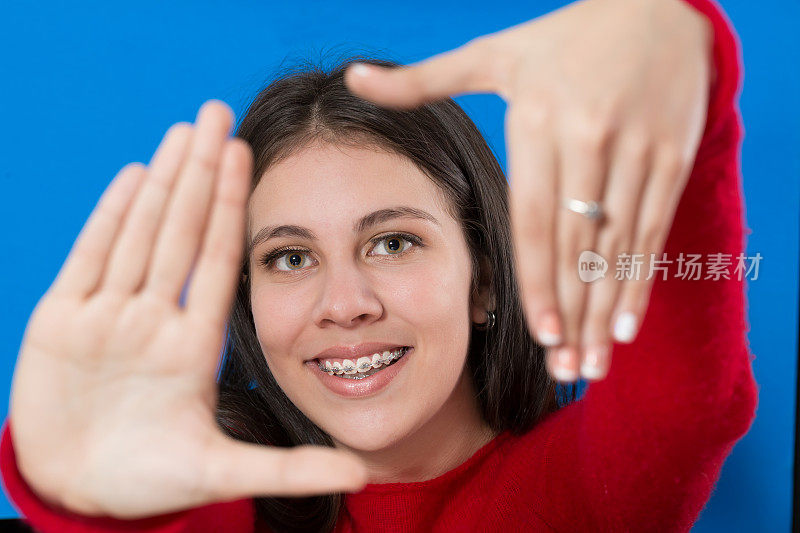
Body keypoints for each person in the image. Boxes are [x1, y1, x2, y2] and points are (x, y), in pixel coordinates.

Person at [0, 0, 758, 531]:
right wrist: (92, 504)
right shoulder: (219, 506)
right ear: (250, 302)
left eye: (392, 241)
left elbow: (691, 400)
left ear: (484, 279)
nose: (345, 302)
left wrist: (683, 48)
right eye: (290, 256)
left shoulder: (574, 497)